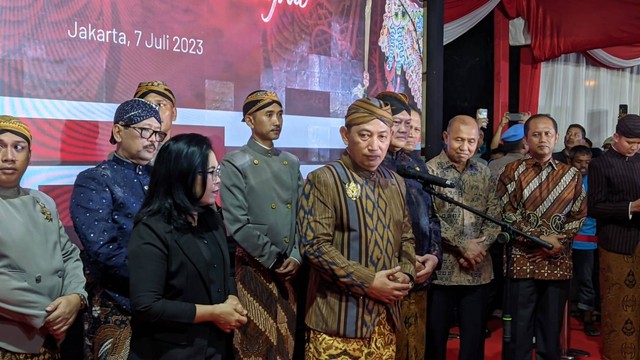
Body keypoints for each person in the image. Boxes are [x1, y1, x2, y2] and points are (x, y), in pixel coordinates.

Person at [297, 97, 416, 359]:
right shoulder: (324, 179)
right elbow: (314, 247)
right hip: (337, 322)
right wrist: (369, 281)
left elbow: (406, 237)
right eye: (365, 135)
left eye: (383, 136)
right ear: (345, 135)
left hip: (385, 319)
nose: (375, 146)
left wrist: (406, 275)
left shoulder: (396, 182)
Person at [127, 133, 247, 359]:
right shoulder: (151, 229)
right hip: (170, 350)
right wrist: (212, 313)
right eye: (210, 173)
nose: (218, 180)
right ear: (183, 176)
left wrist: (231, 297)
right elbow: (147, 306)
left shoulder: (212, 218)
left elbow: (225, 271)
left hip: (216, 347)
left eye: (217, 171)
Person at [70, 98, 164, 358]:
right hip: (117, 302)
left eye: (158, 133)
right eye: (145, 130)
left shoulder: (162, 178)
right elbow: (103, 248)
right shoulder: (94, 180)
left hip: (166, 303)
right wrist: (158, 276)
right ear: (118, 131)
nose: (153, 139)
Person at [220, 90, 302, 359]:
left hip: (290, 270)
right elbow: (237, 223)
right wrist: (274, 259)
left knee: (285, 341)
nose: (277, 120)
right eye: (269, 114)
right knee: (255, 342)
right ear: (250, 120)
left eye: (280, 114)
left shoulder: (290, 162)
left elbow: (303, 216)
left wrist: (296, 255)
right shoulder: (235, 162)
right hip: (256, 267)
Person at [497, 114, 587, 359]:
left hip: (557, 261)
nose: (543, 139)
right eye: (536, 134)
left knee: (551, 333)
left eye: (548, 134)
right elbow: (506, 213)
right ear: (526, 140)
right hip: (521, 261)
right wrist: (541, 240)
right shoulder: (511, 172)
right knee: (518, 333)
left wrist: (557, 243)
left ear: (557, 137)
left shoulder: (572, 176)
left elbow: (579, 215)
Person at [0, 116, 87, 359]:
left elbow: (69, 254)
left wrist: (75, 297)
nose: (9, 156)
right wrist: (50, 315)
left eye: (18, 147)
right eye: (0, 146)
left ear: (29, 155)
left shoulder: (43, 201)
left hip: (50, 341)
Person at [425, 115, 501, 360]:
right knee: (435, 338)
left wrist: (480, 248)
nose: (465, 147)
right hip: (442, 270)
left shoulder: (484, 171)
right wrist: (462, 245)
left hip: (478, 269)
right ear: (446, 138)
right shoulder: (429, 170)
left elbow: (495, 212)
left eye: (471, 141)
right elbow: (430, 217)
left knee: (474, 338)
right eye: (459, 140)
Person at [378, 93, 442, 360]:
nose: (405, 130)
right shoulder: (370, 166)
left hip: (420, 276)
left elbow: (431, 216)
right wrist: (404, 262)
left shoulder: (415, 164)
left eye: (409, 123)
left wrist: (434, 256)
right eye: (397, 122)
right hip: (385, 277)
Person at [587, 114, 640, 360]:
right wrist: (630, 207)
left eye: (639, 143)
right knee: (618, 302)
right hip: (617, 243)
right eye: (630, 141)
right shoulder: (601, 164)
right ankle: (617, 354)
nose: (635, 147)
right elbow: (594, 207)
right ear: (616, 137)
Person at [568, 145, 600, 337]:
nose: (583, 166)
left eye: (587, 162)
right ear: (571, 161)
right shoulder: (564, 179)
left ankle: (588, 319)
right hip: (566, 240)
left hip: (589, 240)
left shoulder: (595, 181)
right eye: (579, 162)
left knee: (587, 280)